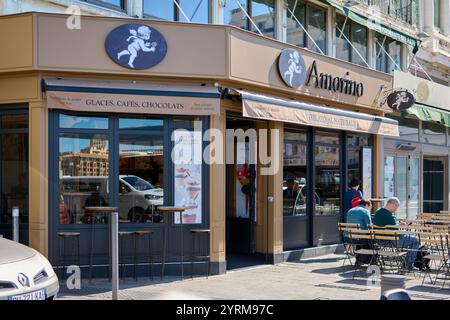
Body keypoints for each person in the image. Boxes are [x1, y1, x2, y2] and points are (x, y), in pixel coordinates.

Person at [373, 197, 420, 270]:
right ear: (392, 204)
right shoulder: (389, 215)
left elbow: (390, 225)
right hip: (391, 241)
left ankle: (406, 261)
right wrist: (404, 229)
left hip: (379, 240)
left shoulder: (378, 212)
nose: (396, 209)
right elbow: (396, 231)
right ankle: (408, 264)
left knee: (411, 238)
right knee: (415, 240)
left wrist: (398, 224)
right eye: (396, 206)